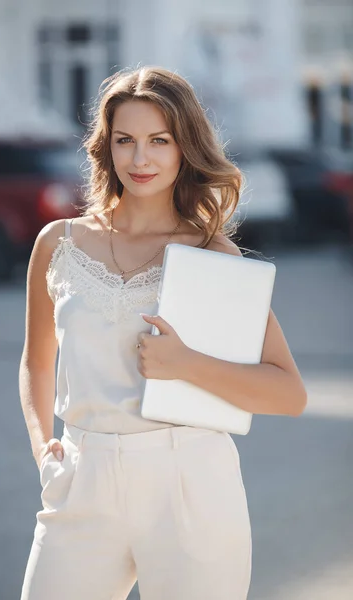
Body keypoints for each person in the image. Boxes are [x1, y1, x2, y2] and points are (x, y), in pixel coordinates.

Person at [19, 66, 307, 600]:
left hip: (190, 484)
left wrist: (186, 364)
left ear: (184, 148)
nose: (140, 159)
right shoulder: (57, 242)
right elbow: (37, 361)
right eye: (125, 141)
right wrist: (45, 453)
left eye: (159, 141)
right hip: (81, 482)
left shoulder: (211, 255)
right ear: (106, 148)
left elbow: (288, 392)